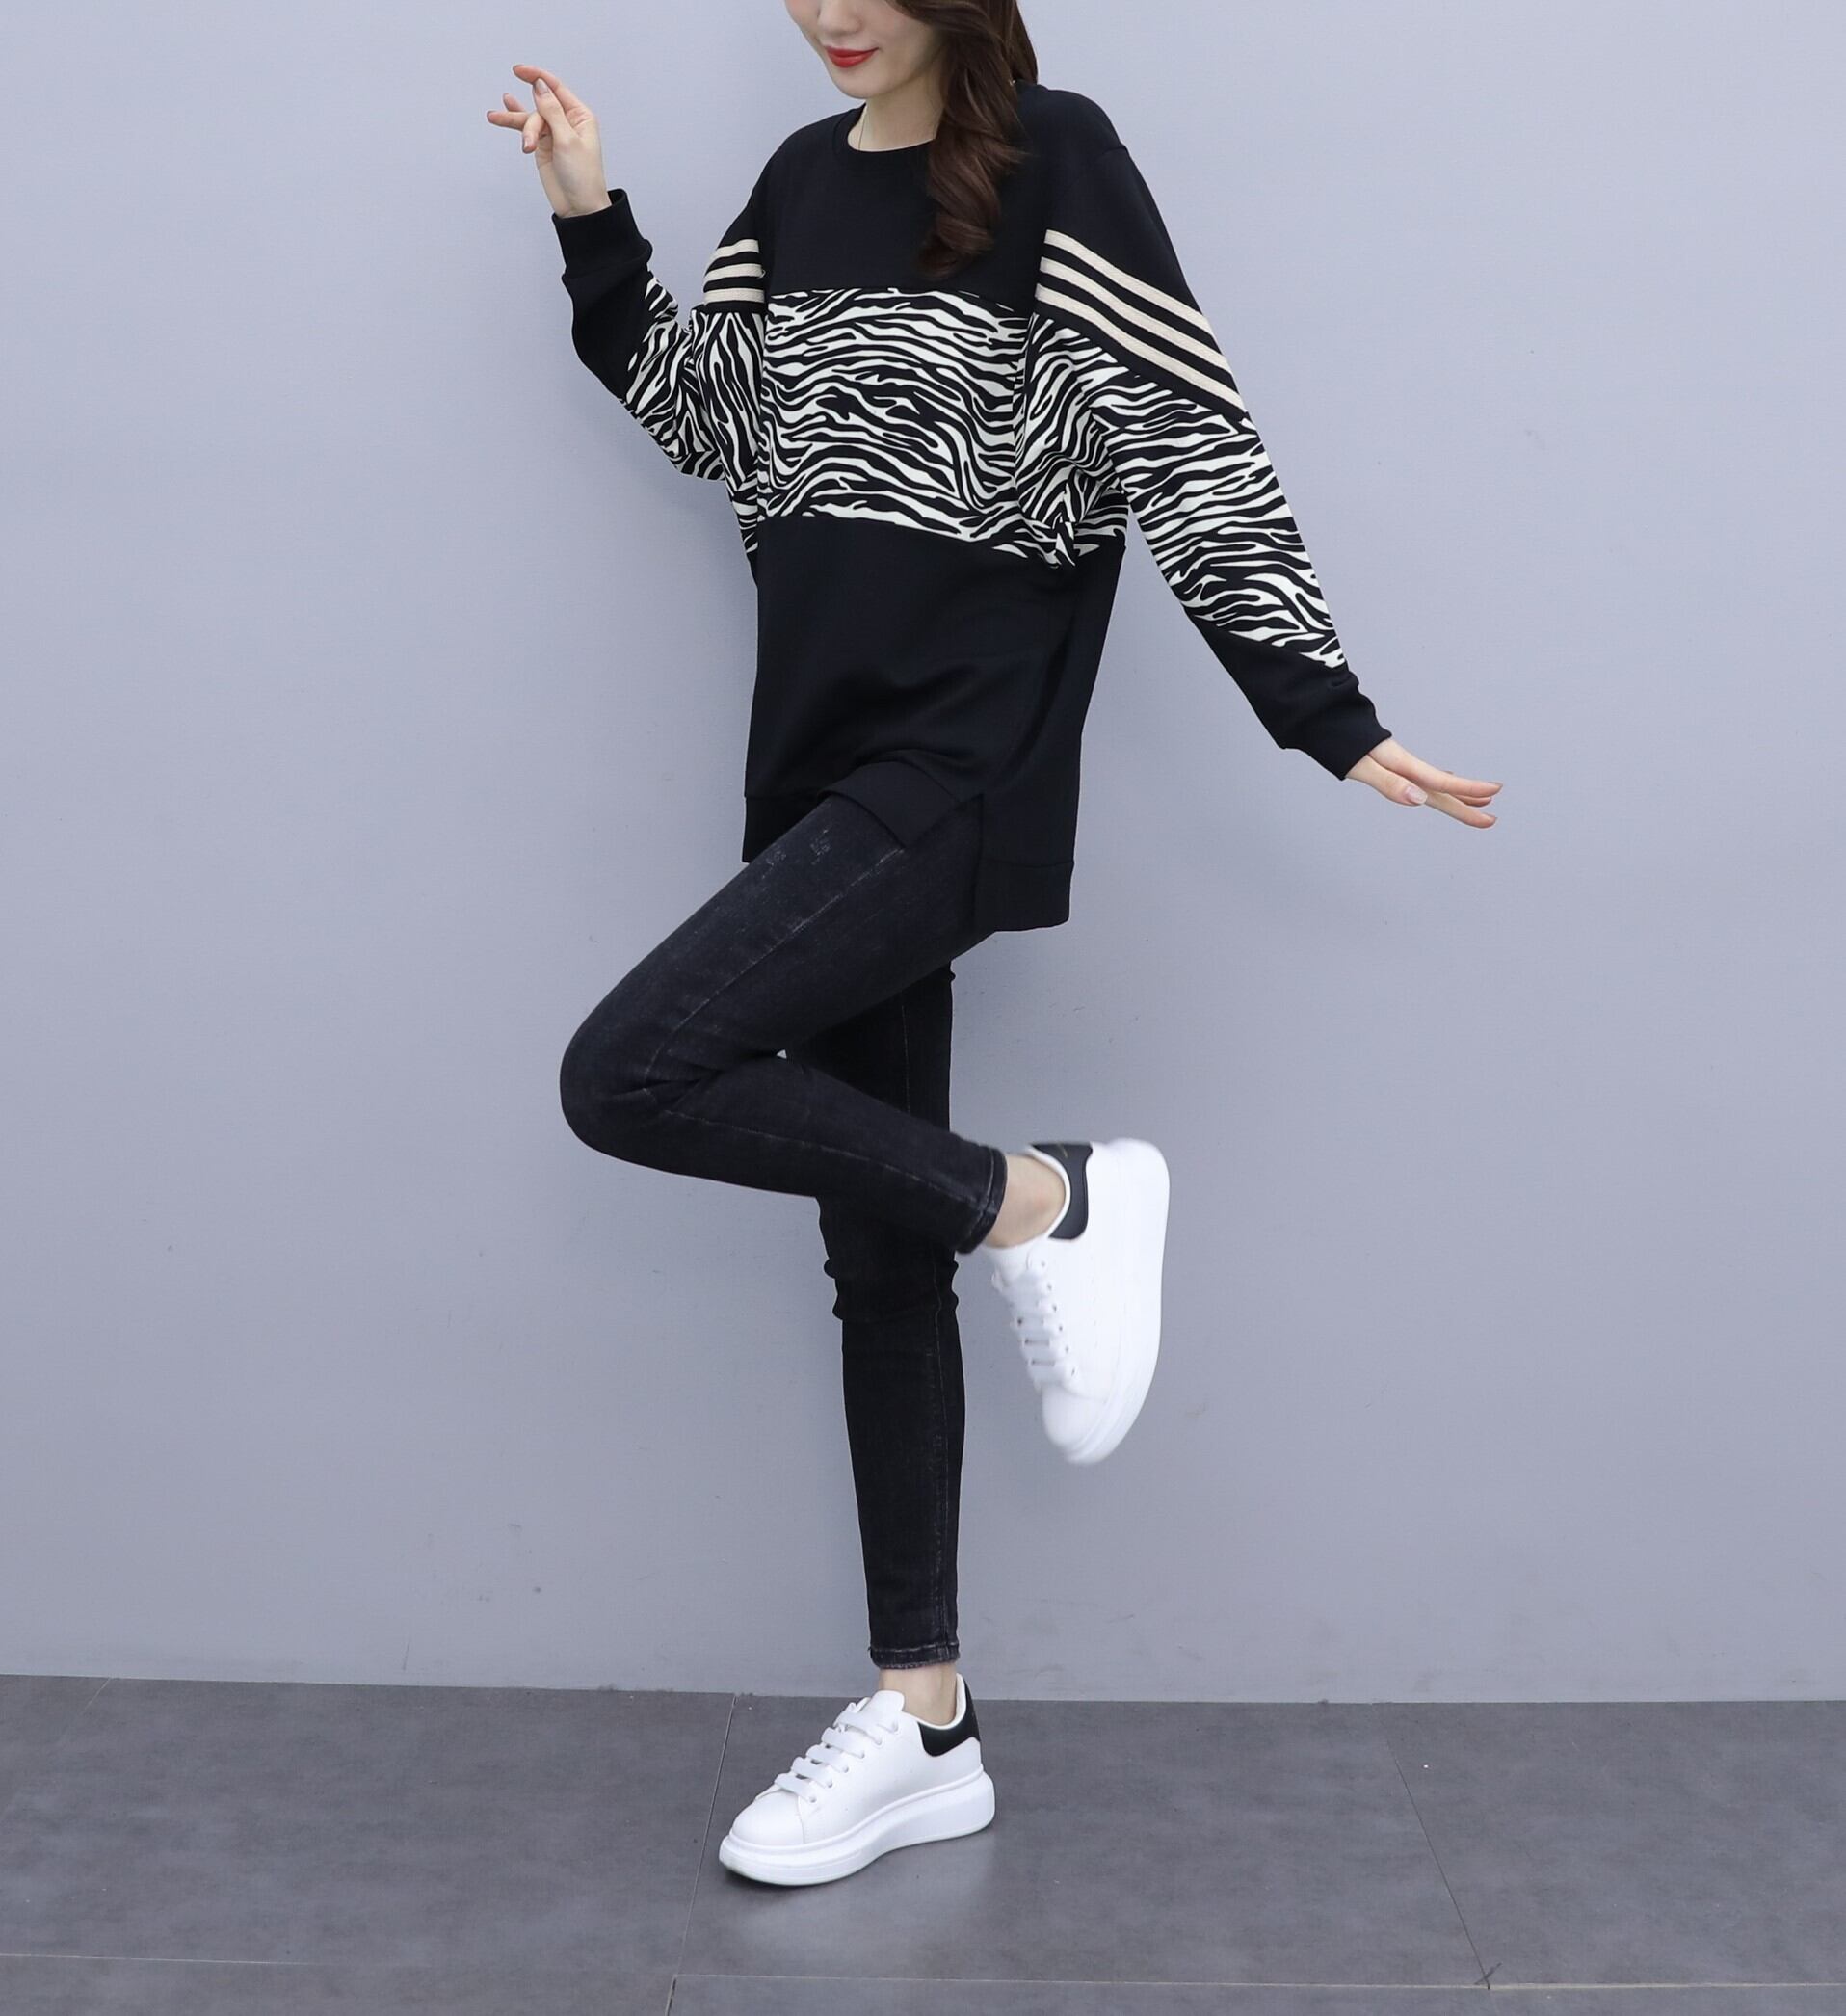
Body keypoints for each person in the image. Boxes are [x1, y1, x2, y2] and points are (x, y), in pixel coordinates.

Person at [490, 0, 1500, 1888]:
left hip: (959, 762)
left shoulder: (1058, 159)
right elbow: (715, 421)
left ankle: (1048, 1197)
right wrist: (587, 214)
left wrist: (1323, 710)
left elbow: (1181, 435)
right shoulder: (798, 185)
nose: (831, 12)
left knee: (628, 1071)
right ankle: (926, 1722)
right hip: (813, 767)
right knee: (879, 1266)